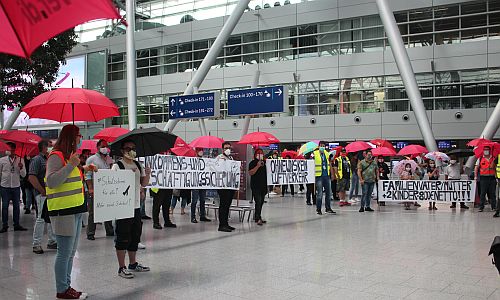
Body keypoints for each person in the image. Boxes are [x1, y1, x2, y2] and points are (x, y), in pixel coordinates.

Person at [46, 125, 94, 299]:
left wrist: (83, 168)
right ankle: (62, 289)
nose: (80, 139)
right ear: (70, 137)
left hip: (75, 209)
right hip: (62, 210)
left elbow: (71, 177)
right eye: (79, 135)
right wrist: (71, 165)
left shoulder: (70, 157)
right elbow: (51, 181)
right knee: (64, 252)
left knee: (71, 252)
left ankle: (67, 286)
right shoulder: (56, 156)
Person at [111, 139, 151, 279]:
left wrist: (148, 174)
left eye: (133, 148)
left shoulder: (138, 165)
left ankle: (133, 263)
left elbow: (143, 183)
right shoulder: (118, 166)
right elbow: (112, 186)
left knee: (135, 235)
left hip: (135, 206)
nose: (131, 151)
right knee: (122, 236)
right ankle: (121, 267)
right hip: (122, 207)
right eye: (128, 148)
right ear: (122, 151)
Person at [30, 140, 57, 254]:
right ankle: (36, 244)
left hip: (51, 193)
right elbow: (32, 177)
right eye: (50, 146)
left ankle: (52, 240)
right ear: (44, 148)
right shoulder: (37, 160)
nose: (52, 148)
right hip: (41, 194)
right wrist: (41, 190)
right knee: (40, 218)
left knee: (51, 217)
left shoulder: (50, 159)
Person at [84, 140, 114, 240]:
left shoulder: (109, 159)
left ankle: (109, 230)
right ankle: (91, 233)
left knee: (108, 210)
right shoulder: (91, 159)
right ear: (97, 147)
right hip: (95, 189)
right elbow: (87, 175)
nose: (104, 148)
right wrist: (90, 188)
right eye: (102, 146)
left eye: (106, 146)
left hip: (107, 190)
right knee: (93, 212)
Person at [0, 142, 27, 232]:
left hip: (15, 186)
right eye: (9, 149)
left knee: (16, 206)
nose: (11, 150)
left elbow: (24, 175)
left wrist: (21, 168)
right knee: (4, 206)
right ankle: (5, 225)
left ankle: (17, 224)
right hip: (5, 186)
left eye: (12, 149)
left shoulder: (20, 160)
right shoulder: (2, 160)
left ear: (15, 149)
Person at [217, 142, 236, 232]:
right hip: (222, 186)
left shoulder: (231, 158)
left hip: (230, 185)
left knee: (227, 205)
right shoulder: (220, 157)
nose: (228, 149)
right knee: (223, 205)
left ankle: (226, 223)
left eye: (229, 147)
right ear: (222, 149)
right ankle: (221, 225)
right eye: (225, 148)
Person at [313, 142, 335, 215]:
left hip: (326, 176)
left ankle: (328, 208)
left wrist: (332, 174)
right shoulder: (314, 154)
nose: (322, 147)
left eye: (324, 146)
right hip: (318, 176)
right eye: (321, 146)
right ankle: (318, 209)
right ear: (319, 146)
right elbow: (311, 164)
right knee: (320, 193)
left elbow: (329, 164)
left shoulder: (326, 153)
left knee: (329, 193)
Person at [191, 148, 211, 224]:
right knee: (194, 201)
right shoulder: (192, 160)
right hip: (195, 184)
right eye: (199, 150)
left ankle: (202, 216)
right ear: (196, 151)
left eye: (202, 150)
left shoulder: (204, 160)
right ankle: (193, 217)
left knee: (202, 200)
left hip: (203, 183)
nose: (201, 152)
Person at [475, 145, 497, 213]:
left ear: (490, 150)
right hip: (483, 178)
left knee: (492, 193)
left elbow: (496, 168)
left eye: (487, 149)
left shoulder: (494, 158)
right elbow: (476, 167)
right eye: (485, 149)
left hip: (492, 178)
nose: (486, 151)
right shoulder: (480, 158)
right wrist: (475, 176)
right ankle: (481, 207)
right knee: (483, 193)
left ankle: (494, 207)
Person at [249, 148, 268, 225]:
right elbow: (250, 173)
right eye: (258, 153)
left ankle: (258, 215)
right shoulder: (252, 163)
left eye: (261, 153)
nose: (260, 154)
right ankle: (258, 218)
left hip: (263, 186)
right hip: (255, 186)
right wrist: (257, 166)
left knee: (261, 202)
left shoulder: (265, 163)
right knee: (258, 201)